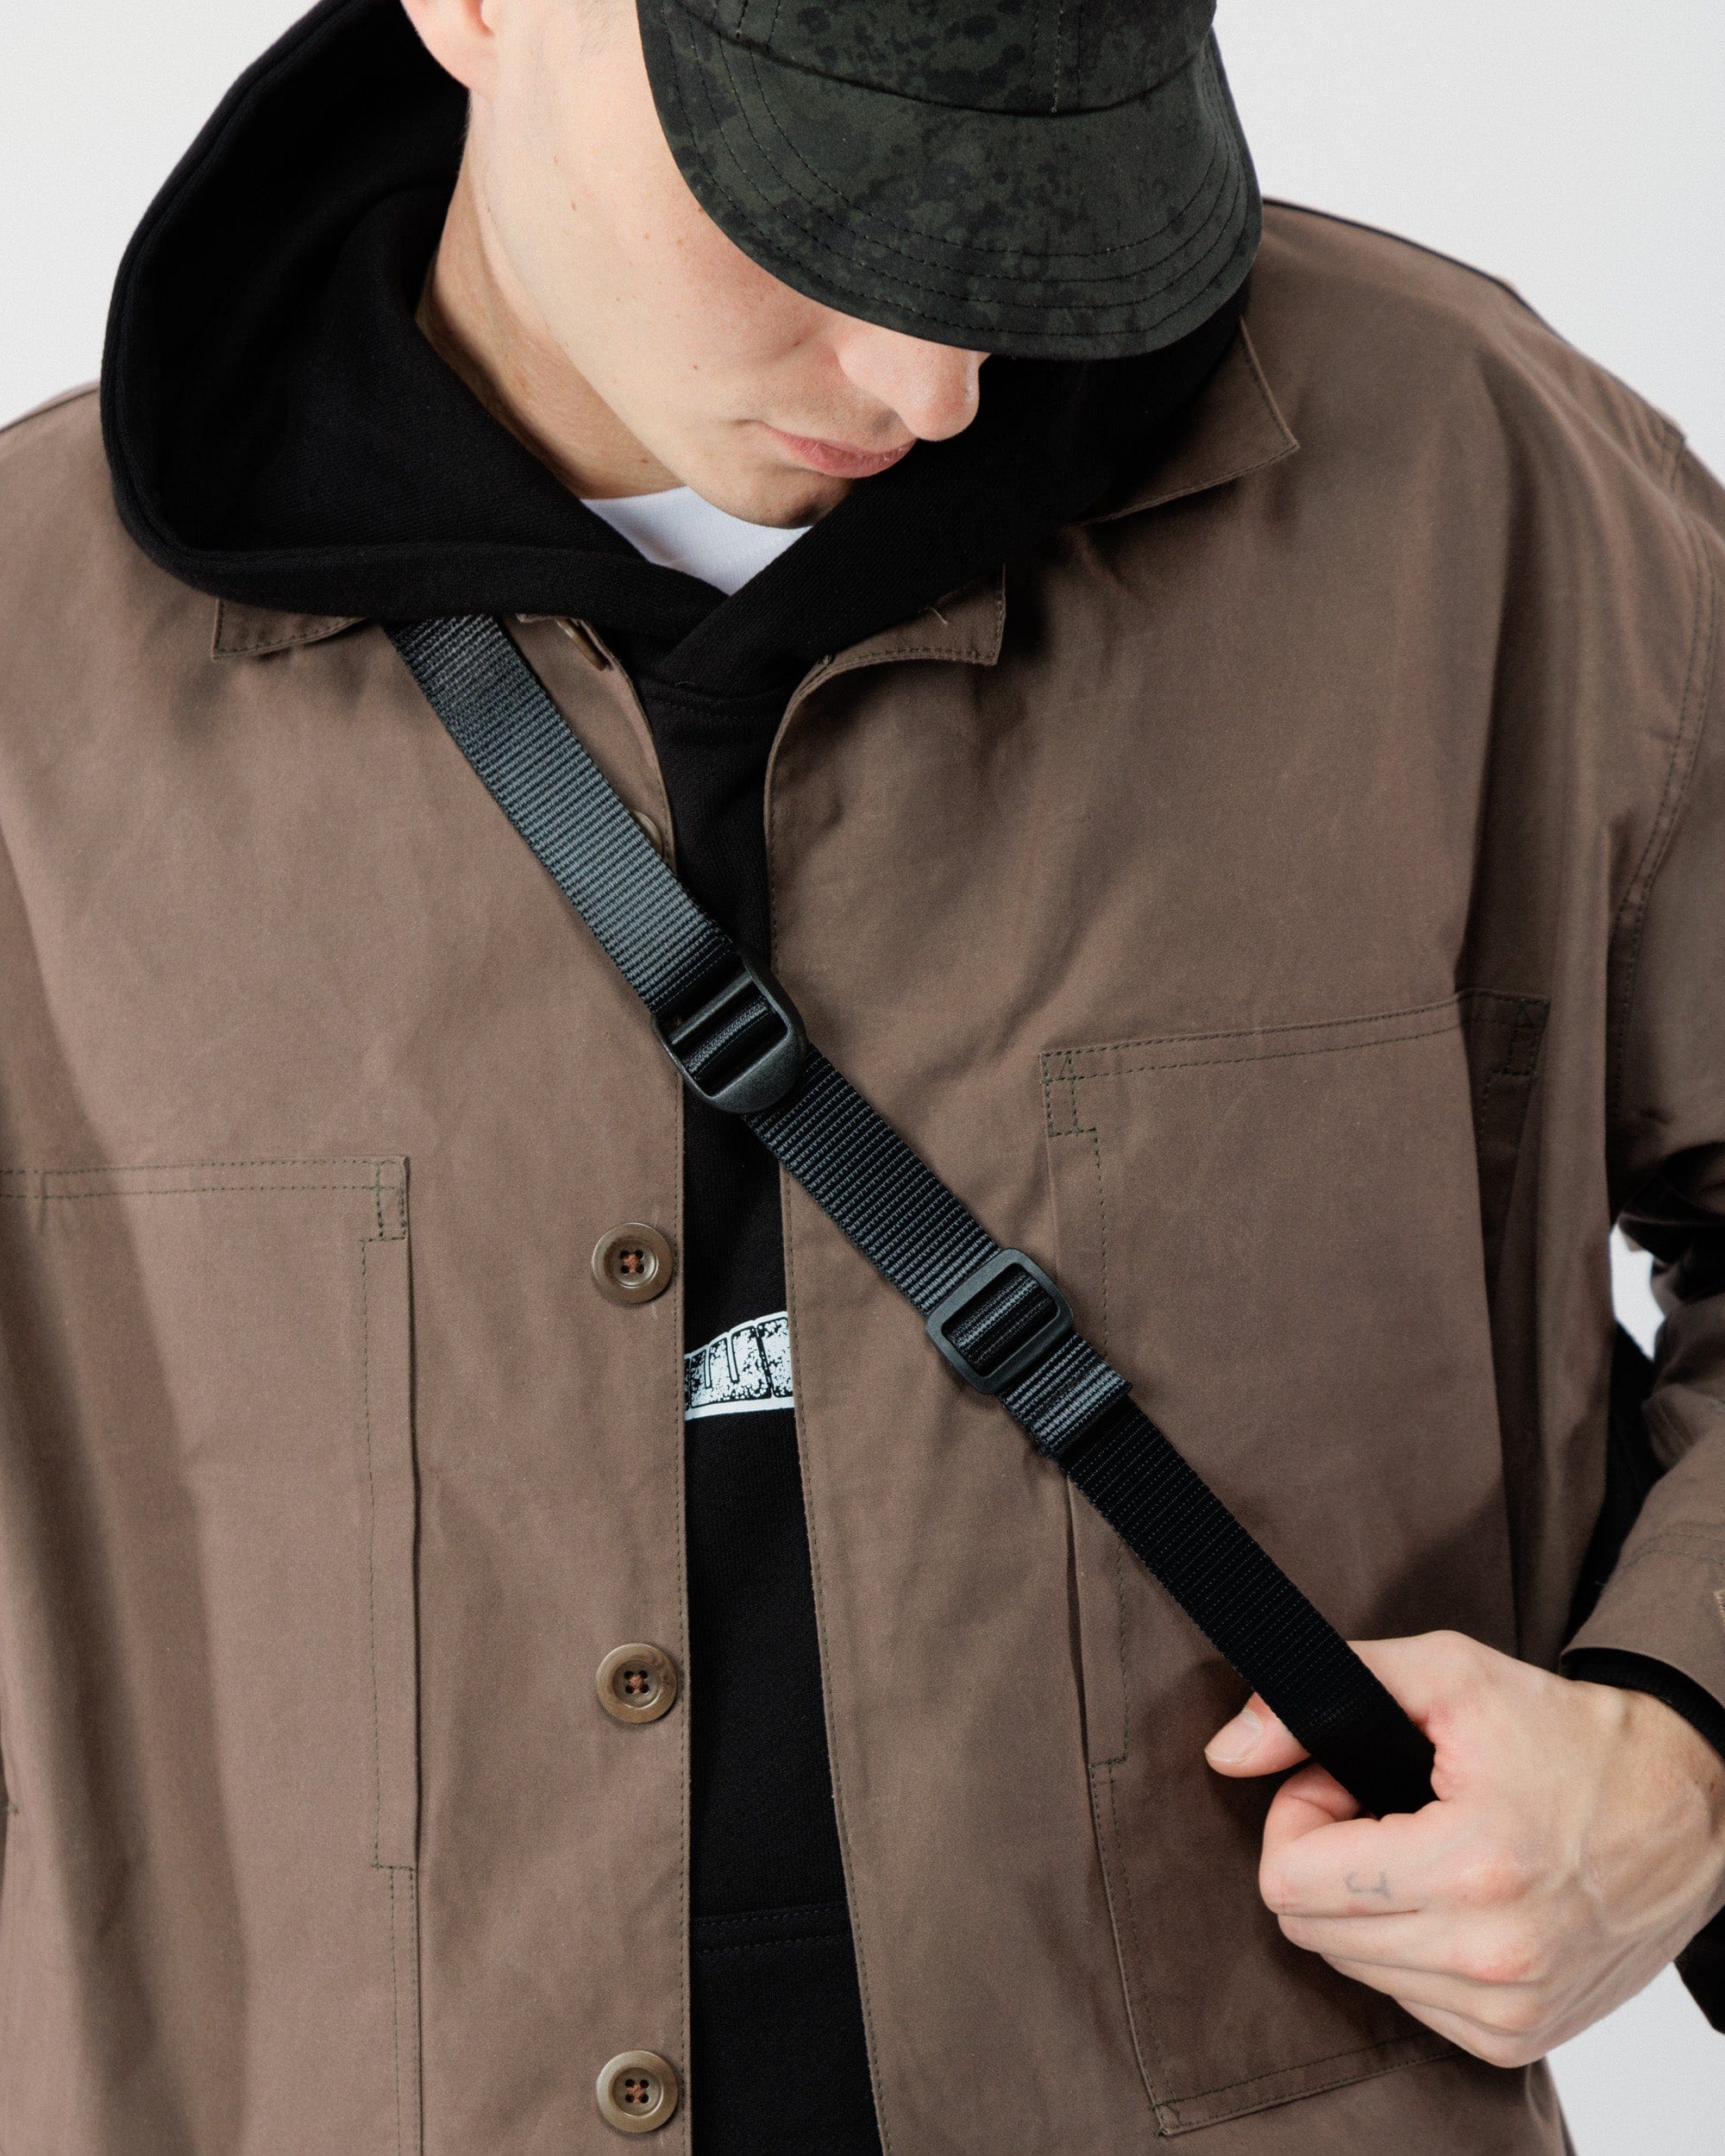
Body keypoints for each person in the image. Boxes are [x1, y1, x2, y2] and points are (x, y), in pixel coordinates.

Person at [0, 0, 1720, 2147]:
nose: (932, 385)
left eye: (1037, 212)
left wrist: (1682, 1736)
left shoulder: (1469, 494)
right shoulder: (28, 669)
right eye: (813, 206)